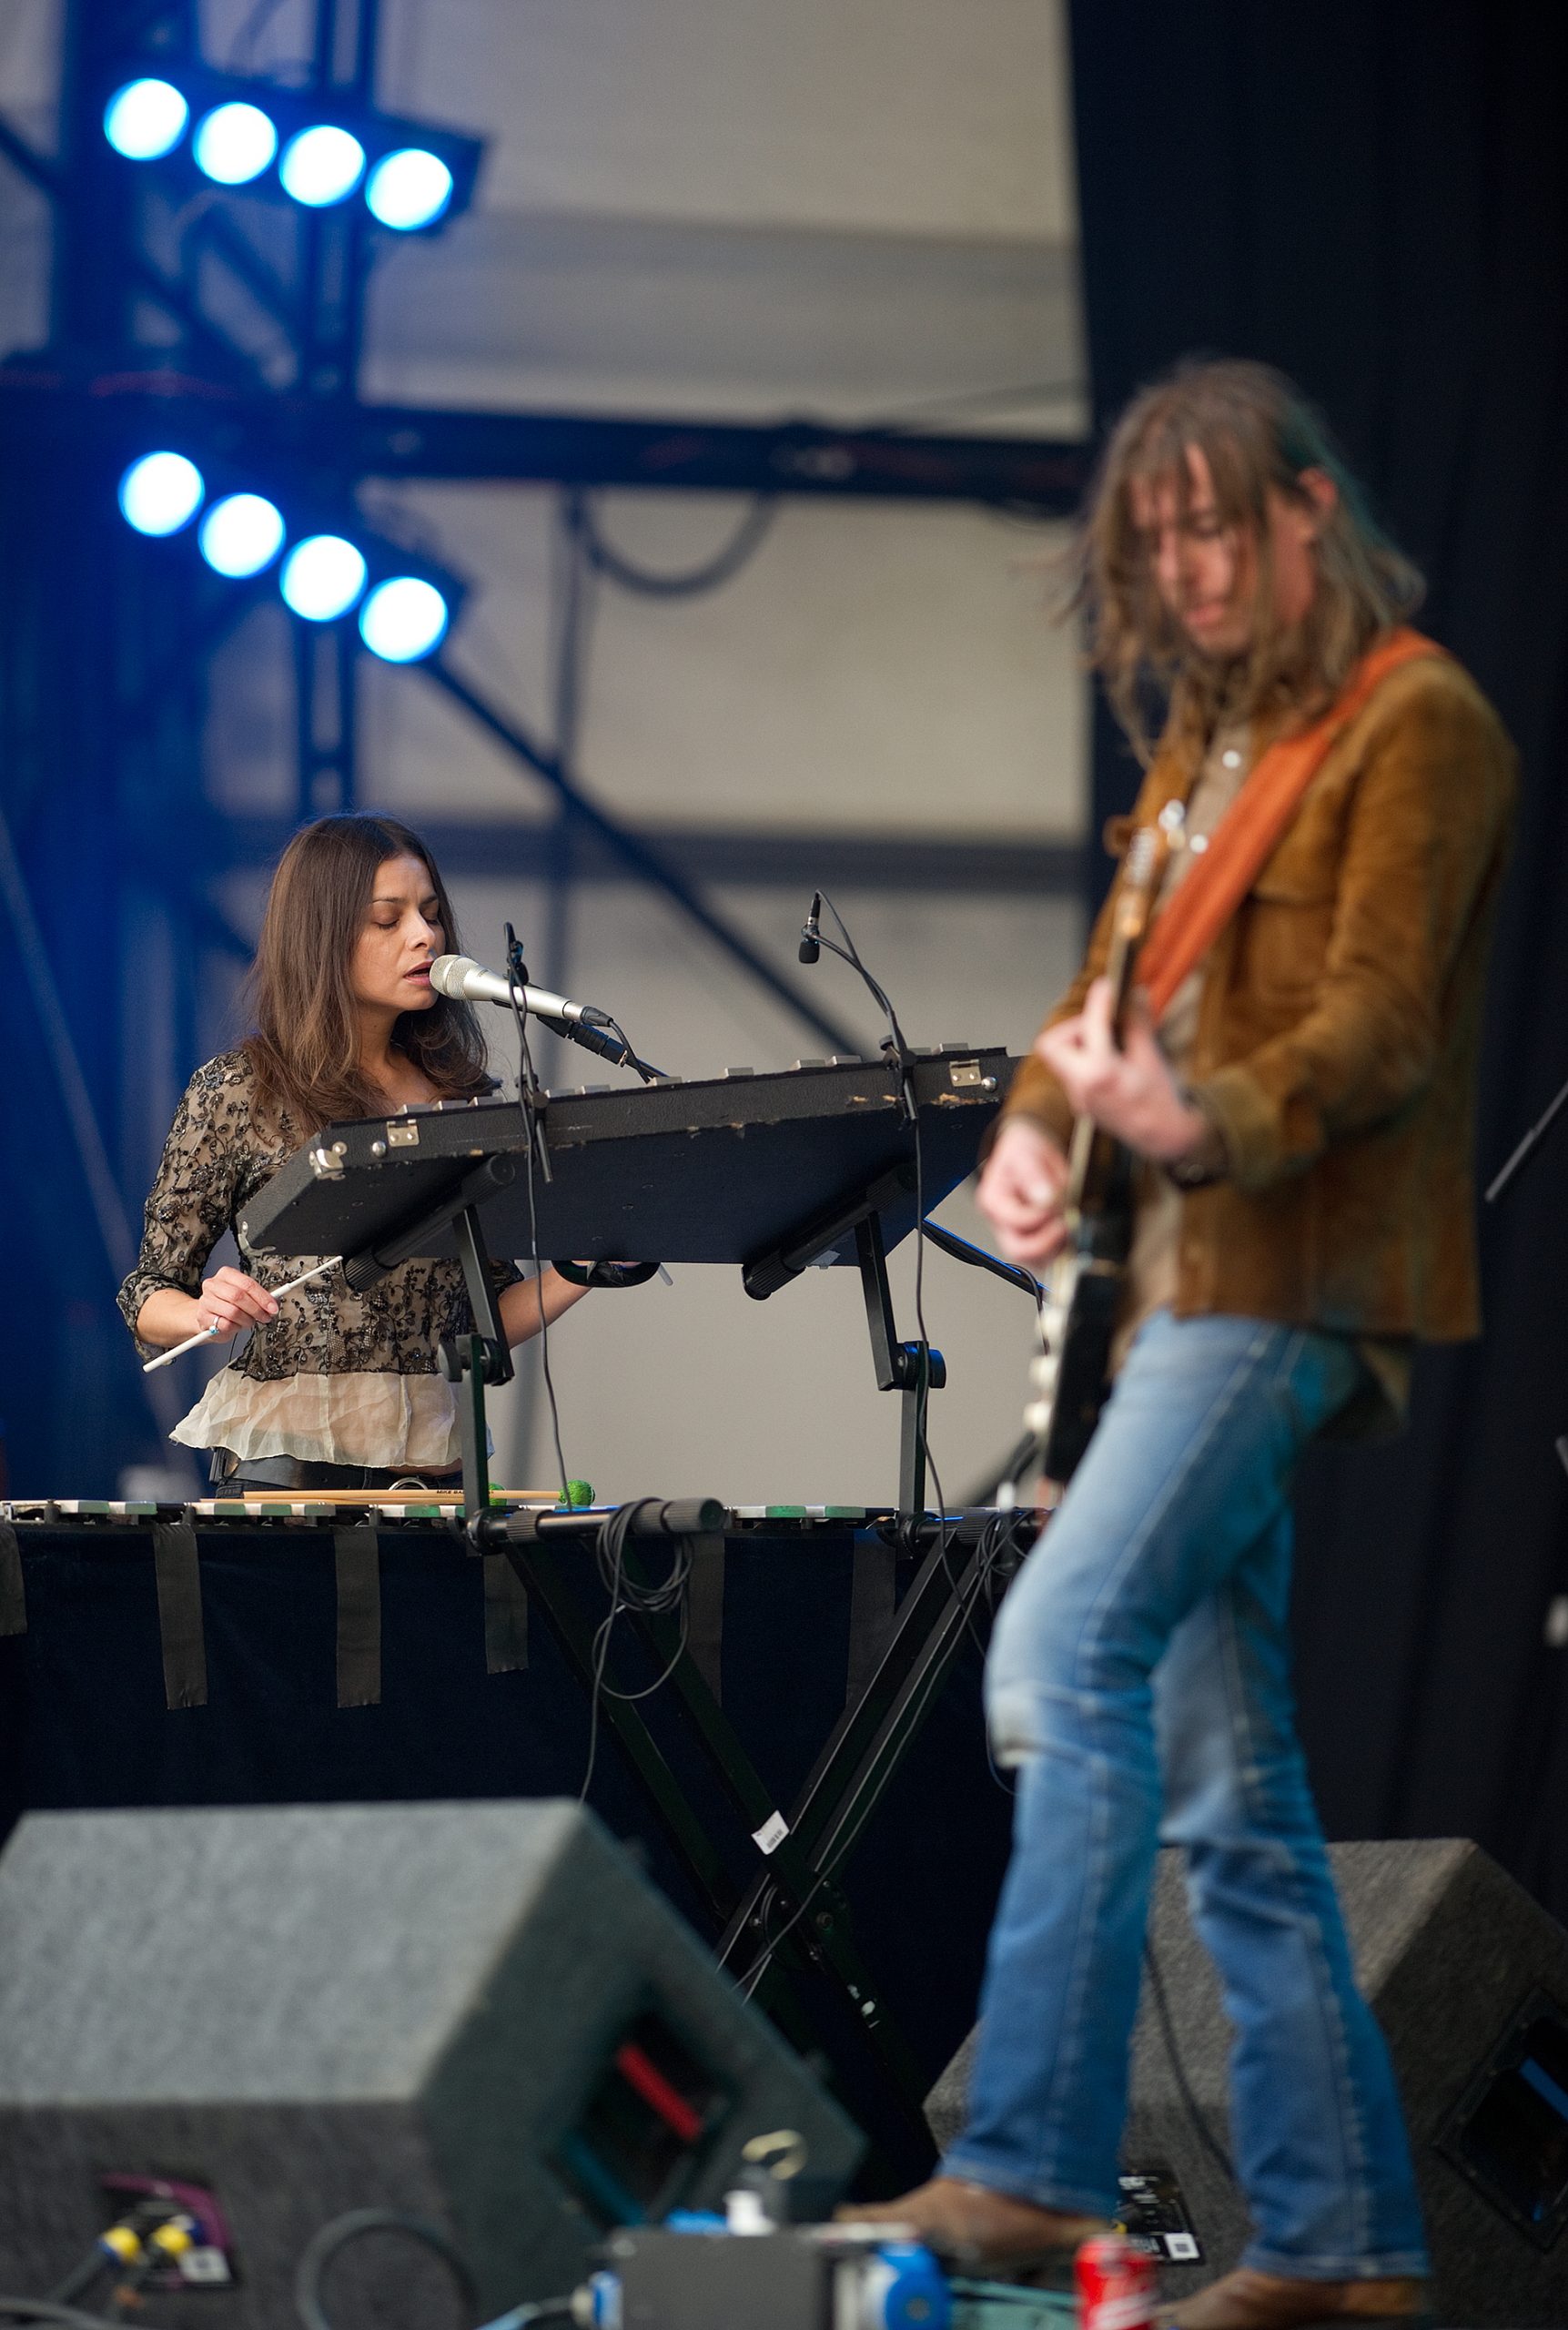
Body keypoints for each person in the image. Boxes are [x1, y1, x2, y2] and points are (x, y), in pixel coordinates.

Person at [848, 360, 1514, 2327]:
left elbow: (1384, 1021)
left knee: (1059, 1645)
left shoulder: (1423, 721)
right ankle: (1345, 2248)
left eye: (1219, 525)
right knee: (1234, 1789)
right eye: (1162, 538)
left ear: (1309, 510)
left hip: (1295, 1281)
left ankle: (1027, 2164)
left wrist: (1191, 1121)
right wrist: (1042, 1143)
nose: (1193, 568)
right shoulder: (1209, 745)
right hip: (1173, 1291)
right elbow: (1094, 999)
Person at [120, 812, 592, 1490]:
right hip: (286, 1471)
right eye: (387, 919)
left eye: (430, 914)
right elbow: (146, 1292)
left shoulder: (459, 1100)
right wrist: (202, 1311)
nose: (425, 935)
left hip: (434, 1474)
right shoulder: (240, 1089)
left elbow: (483, 1317)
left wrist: (586, 1268)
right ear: (322, 935)